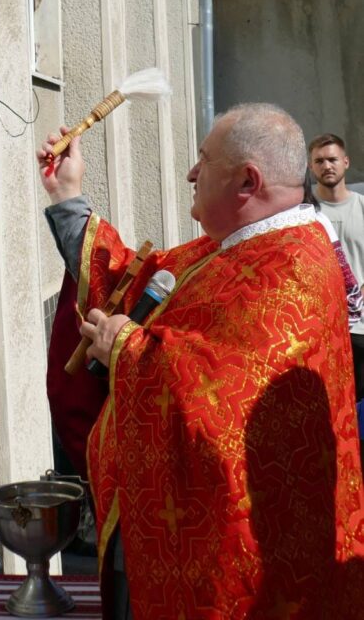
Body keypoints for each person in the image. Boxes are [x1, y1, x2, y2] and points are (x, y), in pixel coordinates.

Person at [38, 103, 364, 619]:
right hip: (173, 526)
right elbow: (132, 279)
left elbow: (223, 403)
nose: (191, 172)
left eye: (205, 161)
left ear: (246, 182)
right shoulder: (234, 249)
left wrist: (126, 347)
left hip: (237, 557)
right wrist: (67, 195)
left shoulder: (293, 266)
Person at [310, 134, 364, 403]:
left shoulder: (362, 206)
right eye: (319, 161)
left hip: (360, 329)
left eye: (332, 159)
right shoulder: (304, 213)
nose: (326, 165)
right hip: (320, 330)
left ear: (345, 162)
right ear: (311, 167)